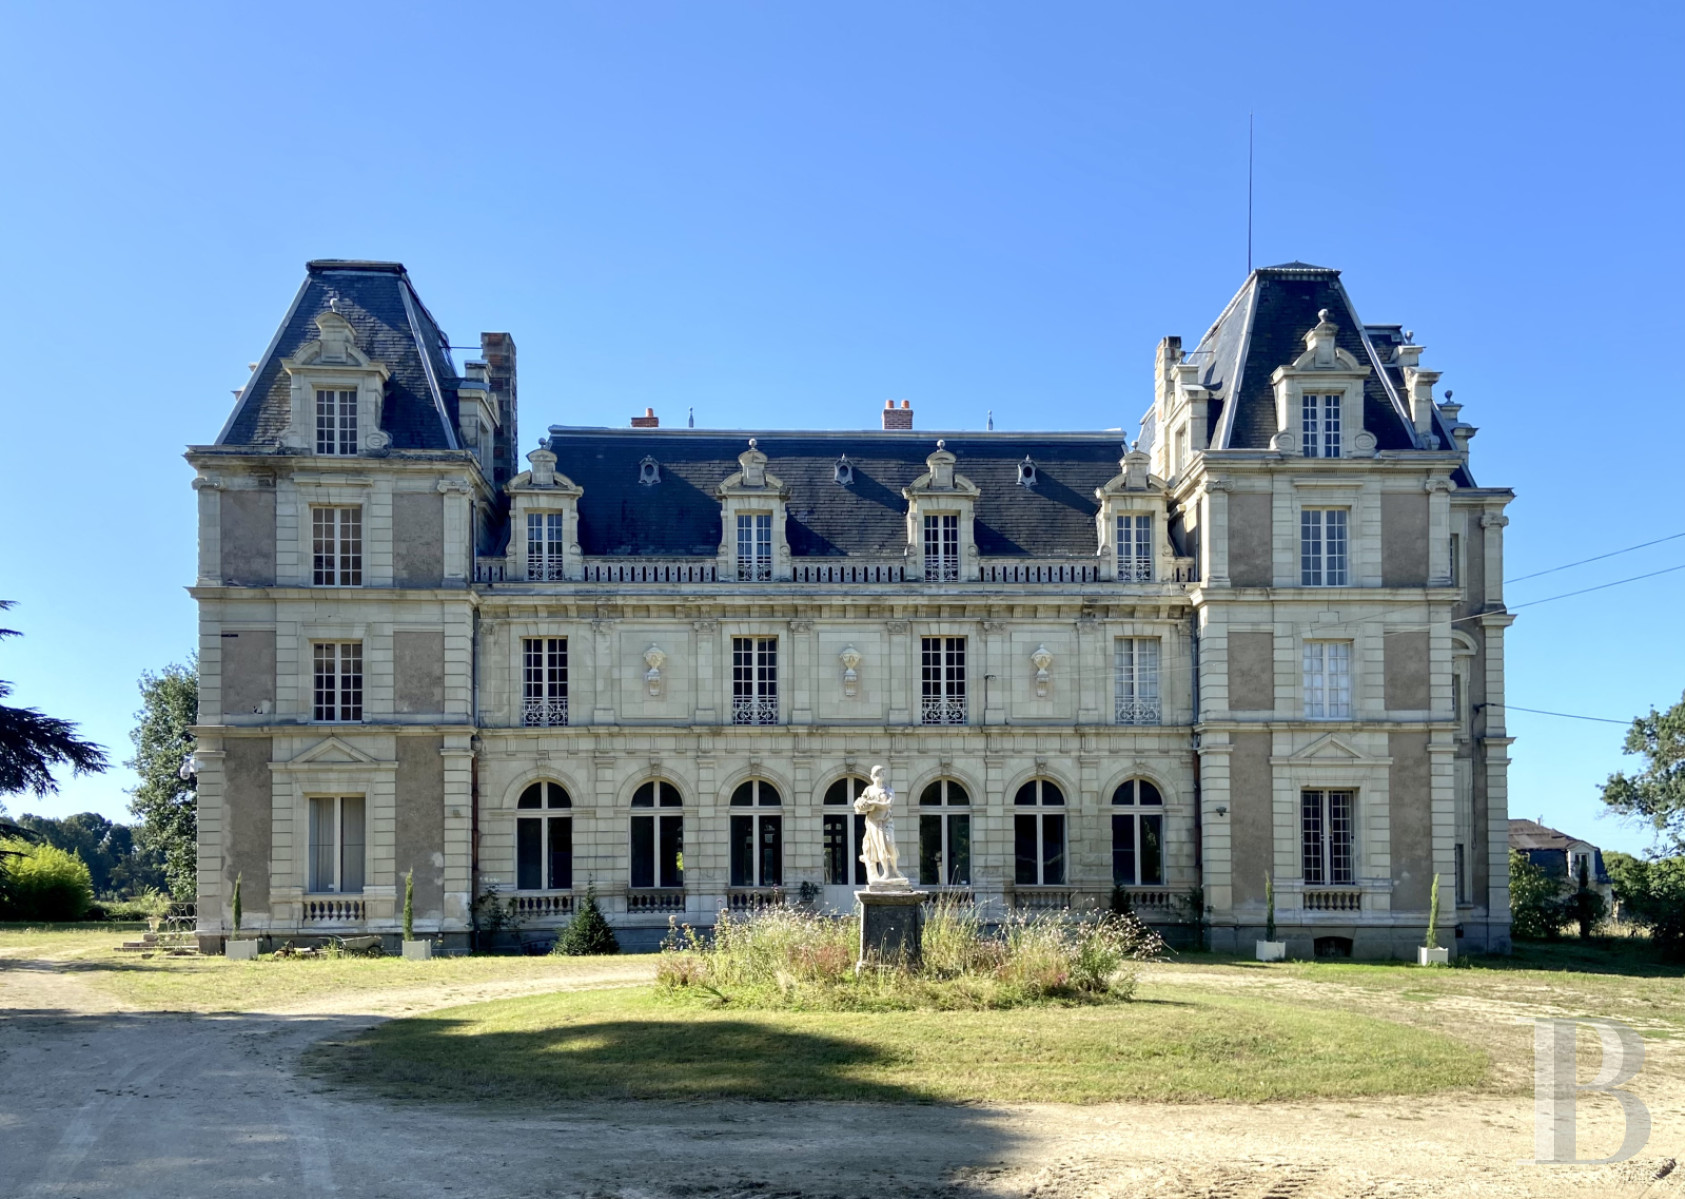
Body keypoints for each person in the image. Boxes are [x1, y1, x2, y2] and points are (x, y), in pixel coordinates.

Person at [854, 764, 906, 886]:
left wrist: (872, 802)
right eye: (879, 773)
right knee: (880, 847)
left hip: (886, 821)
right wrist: (860, 805)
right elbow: (861, 802)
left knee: (890, 844)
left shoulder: (888, 790)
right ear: (873, 776)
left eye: (883, 773)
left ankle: (894, 871)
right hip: (873, 822)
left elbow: (888, 805)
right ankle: (887, 872)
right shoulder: (868, 790)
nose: (882, 775)